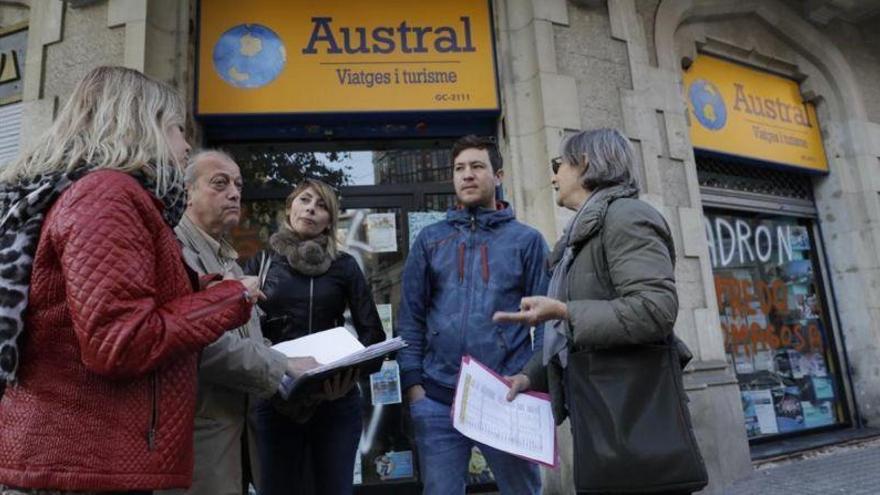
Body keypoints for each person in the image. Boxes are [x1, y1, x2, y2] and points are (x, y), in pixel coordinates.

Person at [0, 67, 258, 494]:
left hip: (77, 462)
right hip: (81, 467)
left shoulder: (95, 193)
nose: (186, 144)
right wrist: (228, 299)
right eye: (177, 128)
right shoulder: (106, 195)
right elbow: (120, 341)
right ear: (141, 123)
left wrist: (197, 291)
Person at [495, 128, 682, 494]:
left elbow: (656, 309)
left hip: (629, 411)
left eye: (558, 165)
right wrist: (529, 377)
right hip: (597, 405)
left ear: (585, 164)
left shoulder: (627, 218)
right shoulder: (583, 231)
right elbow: (569, 337)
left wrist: (564, 310)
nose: (552, 176)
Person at [158, 151, 320, 495]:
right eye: (220, 183)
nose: (234, 192)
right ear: (187, 192)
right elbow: (199, 344)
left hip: (239, 441)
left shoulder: (229, 260)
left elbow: (252, 345)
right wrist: (282, 365)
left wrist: (305, 384)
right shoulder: (173, 250)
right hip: (196, 448)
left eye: (238, 184)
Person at [397, 135, 550, 495]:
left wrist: (530, 376)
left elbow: (548, 323)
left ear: (498, 175)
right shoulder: (431, 240)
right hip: (437, 399)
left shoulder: (526, 241)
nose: (467, 175)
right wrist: (414, 388)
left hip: (506, 395)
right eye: (459, 168)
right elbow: (411, 318)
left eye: (477, 166)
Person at [243, 179, 385, 495]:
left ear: (330, 221)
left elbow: (373, 337)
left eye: (322, 205)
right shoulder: (260, 264)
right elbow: (243, 336)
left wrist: (349, 376)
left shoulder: (345, 266)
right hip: (274, 402)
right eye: (305, 200)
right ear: (289, 207)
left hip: (336, 404)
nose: (311, 208)